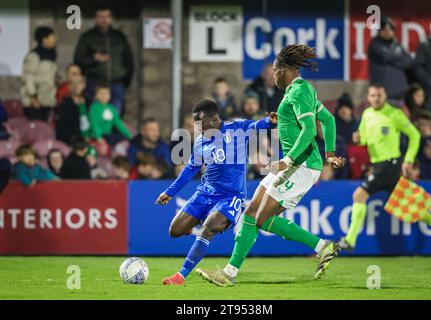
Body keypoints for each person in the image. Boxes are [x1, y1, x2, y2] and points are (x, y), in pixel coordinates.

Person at [196, 45, 346, 287]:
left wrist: (287, 160)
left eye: (275, 70)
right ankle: (322, 246)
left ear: (285, 69)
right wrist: (329, 152)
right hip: (296, 164)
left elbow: (309, 130)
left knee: (260, 218)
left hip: (301, 165)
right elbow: (327, 119)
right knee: (251, 213)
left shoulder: (298, 92)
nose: (273, 75)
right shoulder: (299, 91)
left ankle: (229, 273)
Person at [154, 99, 277, 285]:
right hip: (205, 193)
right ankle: (193, 222)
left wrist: (269, 122)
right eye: (196, 123)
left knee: (209, 228)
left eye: (201, 122)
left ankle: (180, 276)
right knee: (175, 231)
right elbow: (190, 169)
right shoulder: (200, 141)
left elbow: (257, 125)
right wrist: (169, 193)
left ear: (214, 117)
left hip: (231, 196)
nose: (198, 127)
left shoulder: (237, 127)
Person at [338, 84, 431, 251]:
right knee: (408, 203)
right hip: (378, 166)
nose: (376, 98)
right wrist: (358, 139)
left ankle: (350, 240)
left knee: (359, 195)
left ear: (385, 96)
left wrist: (409, 160)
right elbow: (364, 139)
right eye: (373, 95)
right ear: (368, 97)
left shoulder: (395, 114)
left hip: (390, 165)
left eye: (379, 95)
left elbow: (414, 134)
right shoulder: (367, 115)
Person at [74, 7, 134, 114]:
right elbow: (78, 59)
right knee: (95, 114)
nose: (104, 20)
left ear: (111, 18)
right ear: (96, 19)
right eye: (101, 17)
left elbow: (128, 59)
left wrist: (125, 79)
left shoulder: (119, 36)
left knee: (115, 114)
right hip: (95, 82)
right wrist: (94, 59)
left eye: (106, 17)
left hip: (116, 82)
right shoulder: (87, 37)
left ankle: (111, 132)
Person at [368, 16, 413, 100]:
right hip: (383, 94)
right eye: (384, 29)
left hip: (401, 93)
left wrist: (396, 59)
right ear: (379, 31)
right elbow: (388, 57)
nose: (387, 32)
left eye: (390, 29)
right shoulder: (375, 45)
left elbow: (409, 62)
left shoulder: (397, 45)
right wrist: (399, 58)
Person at [20, 26, 58, 121]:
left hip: (47, 100)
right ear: (44, 39)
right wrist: (33, 97)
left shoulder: (51, 55)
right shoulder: (34, 55)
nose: (55, 39)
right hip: (35, 103)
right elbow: (28, 77)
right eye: (52, 36)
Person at [55, 76, 91, 145]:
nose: (76, 85)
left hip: (91, 139)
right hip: (74, 143)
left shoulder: (90, 103)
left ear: (84, 85)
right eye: (72, 83)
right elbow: (61, 133)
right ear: (68, 86)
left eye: (79, 82)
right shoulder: (63, 106)